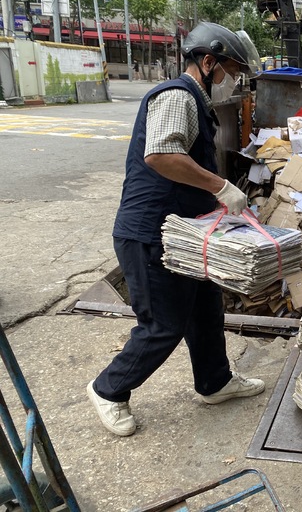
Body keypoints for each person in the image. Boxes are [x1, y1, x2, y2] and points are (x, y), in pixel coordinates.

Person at [87, 22, 263, 437]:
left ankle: (214, 382)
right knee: (163, 324)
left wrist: (216, 200)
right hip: (149, 233)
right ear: (208, 61)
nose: (232, 82)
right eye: (231, 72)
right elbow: (161, 156)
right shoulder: (177, 96)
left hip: (181, 233)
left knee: (205, 308)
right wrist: (220, 185)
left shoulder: (197, 103)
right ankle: (108, 390)